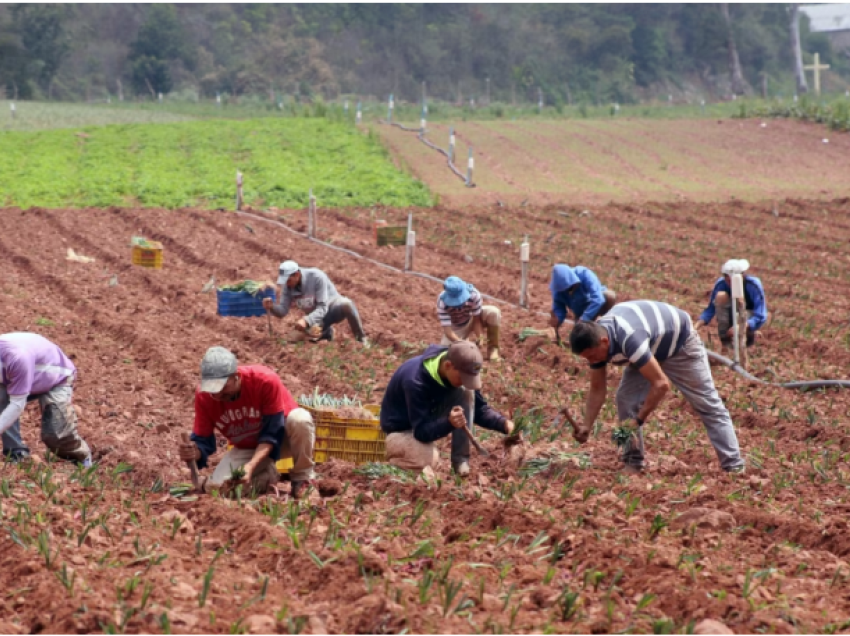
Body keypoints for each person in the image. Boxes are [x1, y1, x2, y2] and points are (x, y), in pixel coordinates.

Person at [568, 300, 745, 473]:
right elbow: (597, 389)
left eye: (592, 356)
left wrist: (638, 420)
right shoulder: (597, 344)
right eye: (587, 358)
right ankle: (634, 461)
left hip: (680, 344)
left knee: (707, 404)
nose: (591, 361)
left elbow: (661, 384)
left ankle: (733, 464)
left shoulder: (629, 339)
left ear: (604, 341)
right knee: (626, 400)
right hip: (649, 344)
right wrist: (586, 425)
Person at [177, 346, 316, 498]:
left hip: (284, 438)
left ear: (236, 376)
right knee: (220, 489)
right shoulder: (204, 397)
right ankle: (268, 475)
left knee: (300, 419)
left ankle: (302, 479)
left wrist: (250, 466)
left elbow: (272, 431)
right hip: (248, 447)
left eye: (222, 387)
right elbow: (203, 440)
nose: (217, 394)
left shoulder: (264, 380)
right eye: (212, 389)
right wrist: (194, 452)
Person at [380, 340, 515, 476]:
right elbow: (421, 432)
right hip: (401, 431)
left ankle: (461, 461)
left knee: (466, 391)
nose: (465, 382)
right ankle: (396, 464)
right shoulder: (415, 382)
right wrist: (448, 423)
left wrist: (505, 424)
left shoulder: (453, 361)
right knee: (425, 459)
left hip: (428, 415)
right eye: (462, 378)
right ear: (448, 365)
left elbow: (479, 410)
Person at [0, 332, 91, 465]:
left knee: (56, 432)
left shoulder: (17, 358)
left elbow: (16, 405)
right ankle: (16, 453)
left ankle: (82, 457)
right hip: (17, 376)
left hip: (56, 380)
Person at [263, 260, 368, 346]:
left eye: (288, 280)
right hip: (316, 318)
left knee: (347, 304)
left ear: (297, 274)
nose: (287, 284)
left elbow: (322, 307)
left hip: (332, 307)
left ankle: (361, 339)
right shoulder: (288, 287)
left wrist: (306, 320)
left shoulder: (316, 276)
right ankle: (326, 332)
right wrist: (272, 307)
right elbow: (282, 311)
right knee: (292, 339)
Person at [694, 259, 767, 351]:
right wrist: (697, 325)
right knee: (721, 296)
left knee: (741, 316)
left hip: (747, 316)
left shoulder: (753, 285)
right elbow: (710, 309)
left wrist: (743, 325)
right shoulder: (721, 284)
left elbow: (761, 315)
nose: (730, 284)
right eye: (728, 280)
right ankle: (725, 341)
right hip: (730, 314)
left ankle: (747, 340)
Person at [437, 276, 501, 361]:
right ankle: (464, 342)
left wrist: (480, 337)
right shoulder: (442, 302)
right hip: (456, 326)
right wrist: (463, 344)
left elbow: (476, 321)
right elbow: (448, 331)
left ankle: (493, 349)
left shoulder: (474, 294)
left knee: (493, 312)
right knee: (445, 351)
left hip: (472, 318)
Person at [549, 264, 617, 330]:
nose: (569, 291)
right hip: (581, 313)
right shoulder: (558, 290)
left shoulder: (584, 274)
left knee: (610, 296)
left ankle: (609, 320)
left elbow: (598, 299)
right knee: (580, 335)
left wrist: (585, 318)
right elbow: (559, 308)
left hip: (597, 305)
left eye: (571, 287)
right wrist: (558, 319)